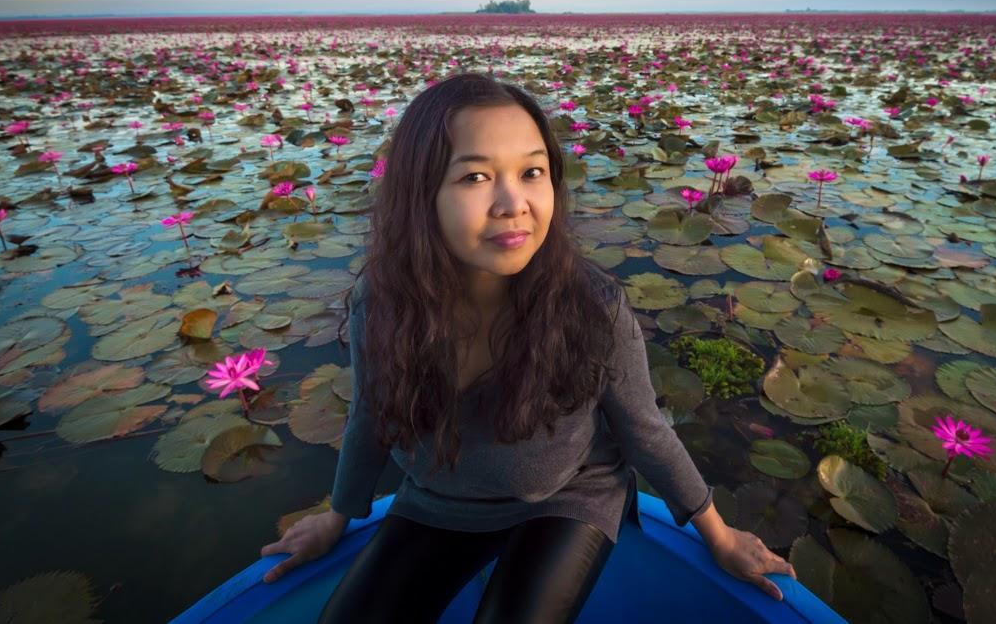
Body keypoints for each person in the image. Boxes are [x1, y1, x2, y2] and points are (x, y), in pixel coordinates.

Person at [258, 72, 796, 623]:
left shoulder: (593, 304)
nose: (512, 203)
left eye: (532, 172)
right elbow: (370, 416)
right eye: (474, 177)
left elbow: (643, 429)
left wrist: (718, 534)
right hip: (436, 504)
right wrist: (340, 514)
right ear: (422, 195)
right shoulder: (381, 302)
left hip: (568, 500)